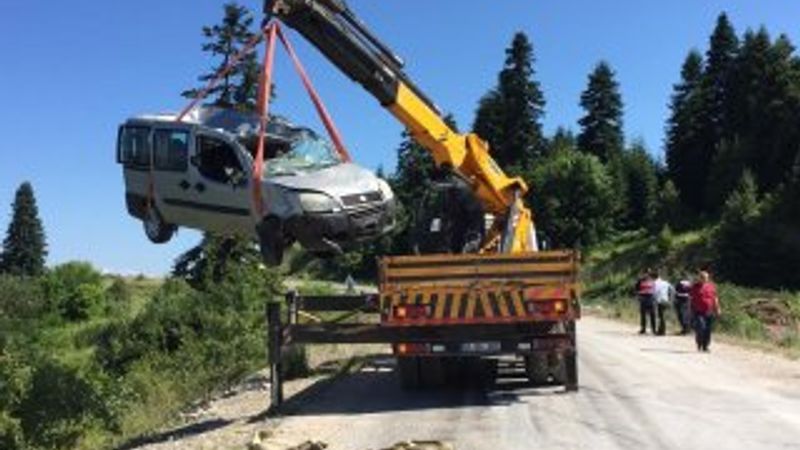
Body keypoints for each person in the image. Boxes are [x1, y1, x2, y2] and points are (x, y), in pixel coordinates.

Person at [690, 270, 721, 352]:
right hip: (698, 311)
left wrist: (717, 308)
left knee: (708, 329)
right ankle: (699, 342)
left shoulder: (711, 286)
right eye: (702, 277)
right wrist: (690, 310)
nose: (704, 279)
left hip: (709, 311)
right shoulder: (694, 287)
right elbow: (690, 298)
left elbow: (715, 298)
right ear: (699, 278)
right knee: (701, 327)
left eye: (706, 278)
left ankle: (705, 346)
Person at [652, 270, 674, 336]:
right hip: (666, 300)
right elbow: (672, 289)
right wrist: (670, 298)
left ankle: (662, 331)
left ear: (653, 277)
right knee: (662, 315)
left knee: (660, 316)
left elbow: (654, 292)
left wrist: (654, 299)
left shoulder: (654, 283)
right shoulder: (665, 282)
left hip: (659, 300)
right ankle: (661, 330)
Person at [635, 269, 656, 334]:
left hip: (651, 298)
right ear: (643, 273)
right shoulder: (640, 280)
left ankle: (653, 329)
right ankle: (643, 329)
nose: (647, 274)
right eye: (646, 273)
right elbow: (636, 289)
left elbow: (655, 289)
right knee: (643, 315)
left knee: (652, 314)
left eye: (648, 273)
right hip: (643, 298)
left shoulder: (652, 280)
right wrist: (639, 296)